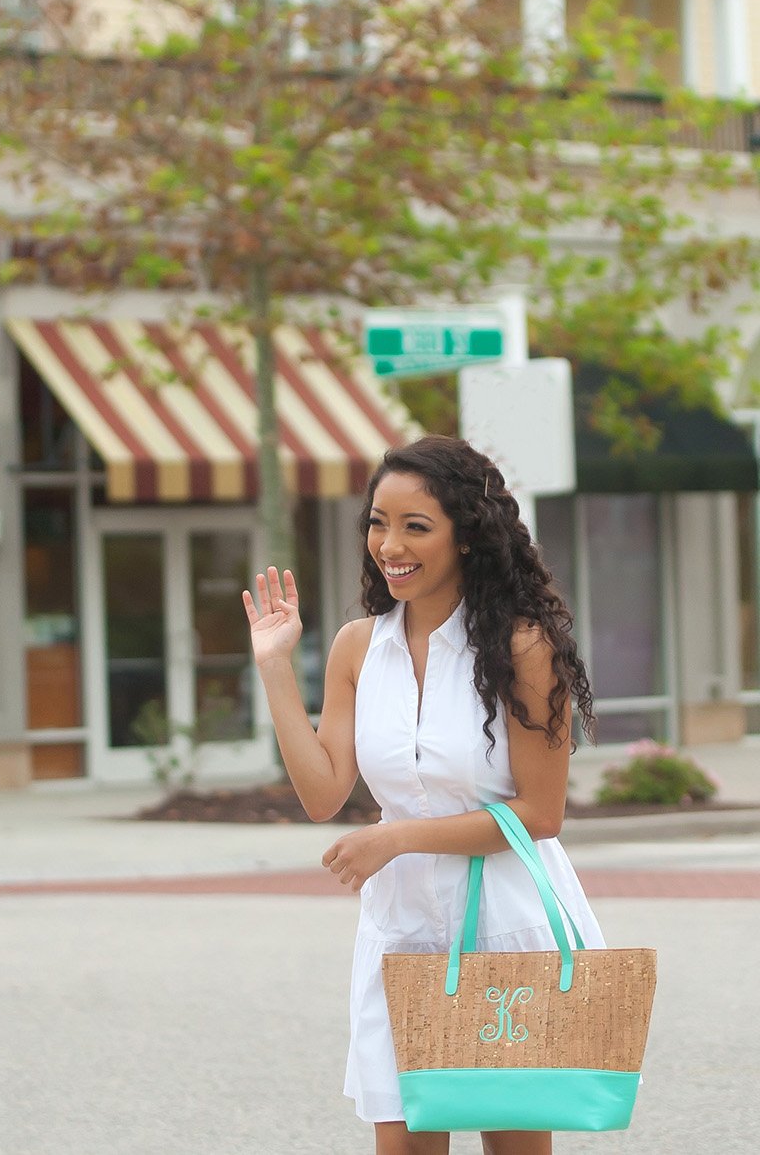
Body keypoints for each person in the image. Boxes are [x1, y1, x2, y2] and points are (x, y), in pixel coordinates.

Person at [242, 434, 605, 1155]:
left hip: (505, 925)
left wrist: (397, 836)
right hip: (401, 929)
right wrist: (275, 667)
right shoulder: (357, 647)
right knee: (403, 1143)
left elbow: (542, 814)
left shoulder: (524, 647)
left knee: (512, 1146)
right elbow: (322, 794)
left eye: (416, 526)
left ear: (466, 537)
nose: (389, 544)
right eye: (378, 522)